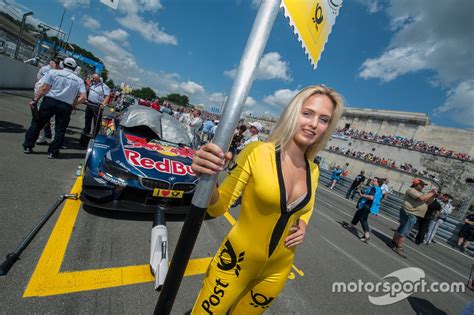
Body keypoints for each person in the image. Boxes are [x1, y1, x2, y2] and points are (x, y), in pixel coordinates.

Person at [190, 85, 344, 314]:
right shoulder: (257, 152)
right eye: (307, 113)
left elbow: (307, 208)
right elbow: (217, 208)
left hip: (277, 270)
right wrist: (208, 177)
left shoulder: (314, 170)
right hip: (235, 262)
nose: (314, 124)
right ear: (293, 113)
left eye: (323, 120)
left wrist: (302, 224)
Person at [23, 57, 86, 158]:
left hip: (50, 101)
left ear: (63, 65)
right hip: (65, 106)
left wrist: (35, 100)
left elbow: (43, 88)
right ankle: (53, 152)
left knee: (38, 123)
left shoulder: (53, 72)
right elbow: (83, 97)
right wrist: (73, 105)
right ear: (74, 68)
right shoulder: (79, 80)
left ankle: (28, 146)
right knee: (60, 129)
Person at [389, 178, 437, 258]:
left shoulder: (420, 192)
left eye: (423, 185)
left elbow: (428, 202)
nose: (422, 186)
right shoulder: (411, 190)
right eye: (421, 185)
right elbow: (421, 198)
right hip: (410, 213)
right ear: (416, 184)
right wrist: (431, 193)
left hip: (412, 213)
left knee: (402, 228)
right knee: (405, 231)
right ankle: (398, 247)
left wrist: (432, 195)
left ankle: (393, 242)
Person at [344, 178, 383, 242]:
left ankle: (367, 235)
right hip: (369, 206)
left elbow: (371, 197)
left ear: (378, 183)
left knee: (363, 219)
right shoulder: (379, 189)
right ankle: (351, 225)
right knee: (358, 214)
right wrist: (361, 192)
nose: (372, 181)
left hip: (367, 205)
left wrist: (362, 195)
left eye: (374, 181)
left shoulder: (374, 188)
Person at [35, 58, 59, 145]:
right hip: (48, 96)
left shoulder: (45, 70)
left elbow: (39, 80)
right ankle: (53, 141)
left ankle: (41, 138)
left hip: (40, 93)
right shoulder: (53, 72)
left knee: (39, 117)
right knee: (53, 120)